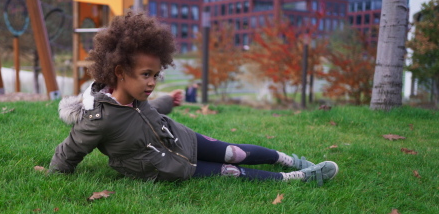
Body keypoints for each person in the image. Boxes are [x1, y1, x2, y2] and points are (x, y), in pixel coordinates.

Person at [49, 12, 338, 186]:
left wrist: (167, 101)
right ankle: (296, 179)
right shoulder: (98, 119)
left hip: (180, 137)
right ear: (120, 72)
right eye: (146, 75)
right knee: (231, 171)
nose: (151, 82)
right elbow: (72, 148)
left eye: (156, 75)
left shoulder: (135, 97)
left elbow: (149, 113)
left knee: (233, 152)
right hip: (165, 166)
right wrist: (55, 171)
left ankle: (289, 160)